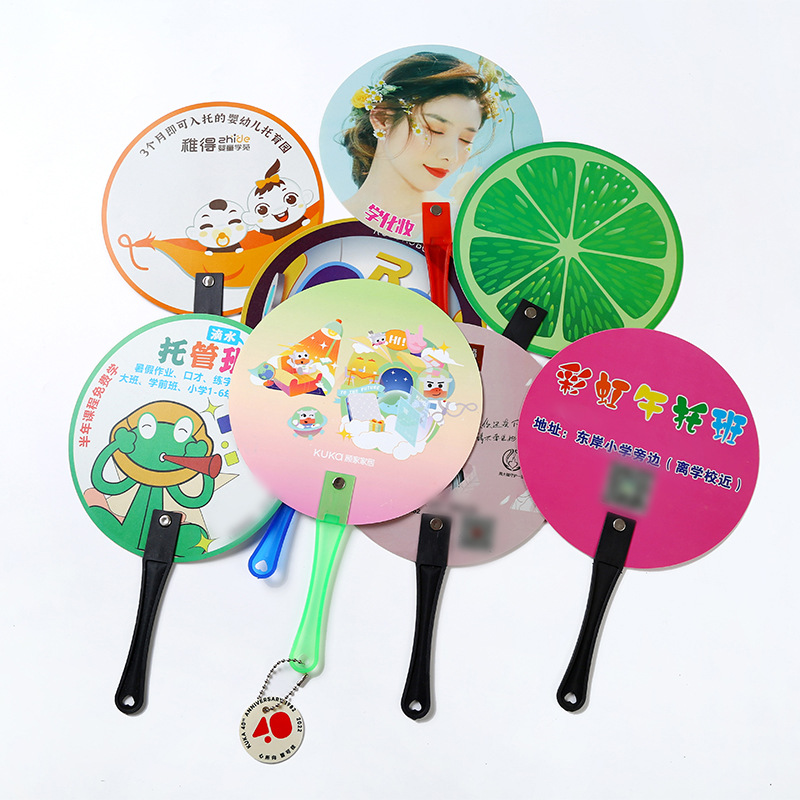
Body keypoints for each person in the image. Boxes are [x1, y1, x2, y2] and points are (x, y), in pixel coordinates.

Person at [341, 51, 501, 241]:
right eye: (435, 130)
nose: (451, 155)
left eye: (466, 139)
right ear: (382, 119)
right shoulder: (333, 218)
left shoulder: (465, 227)